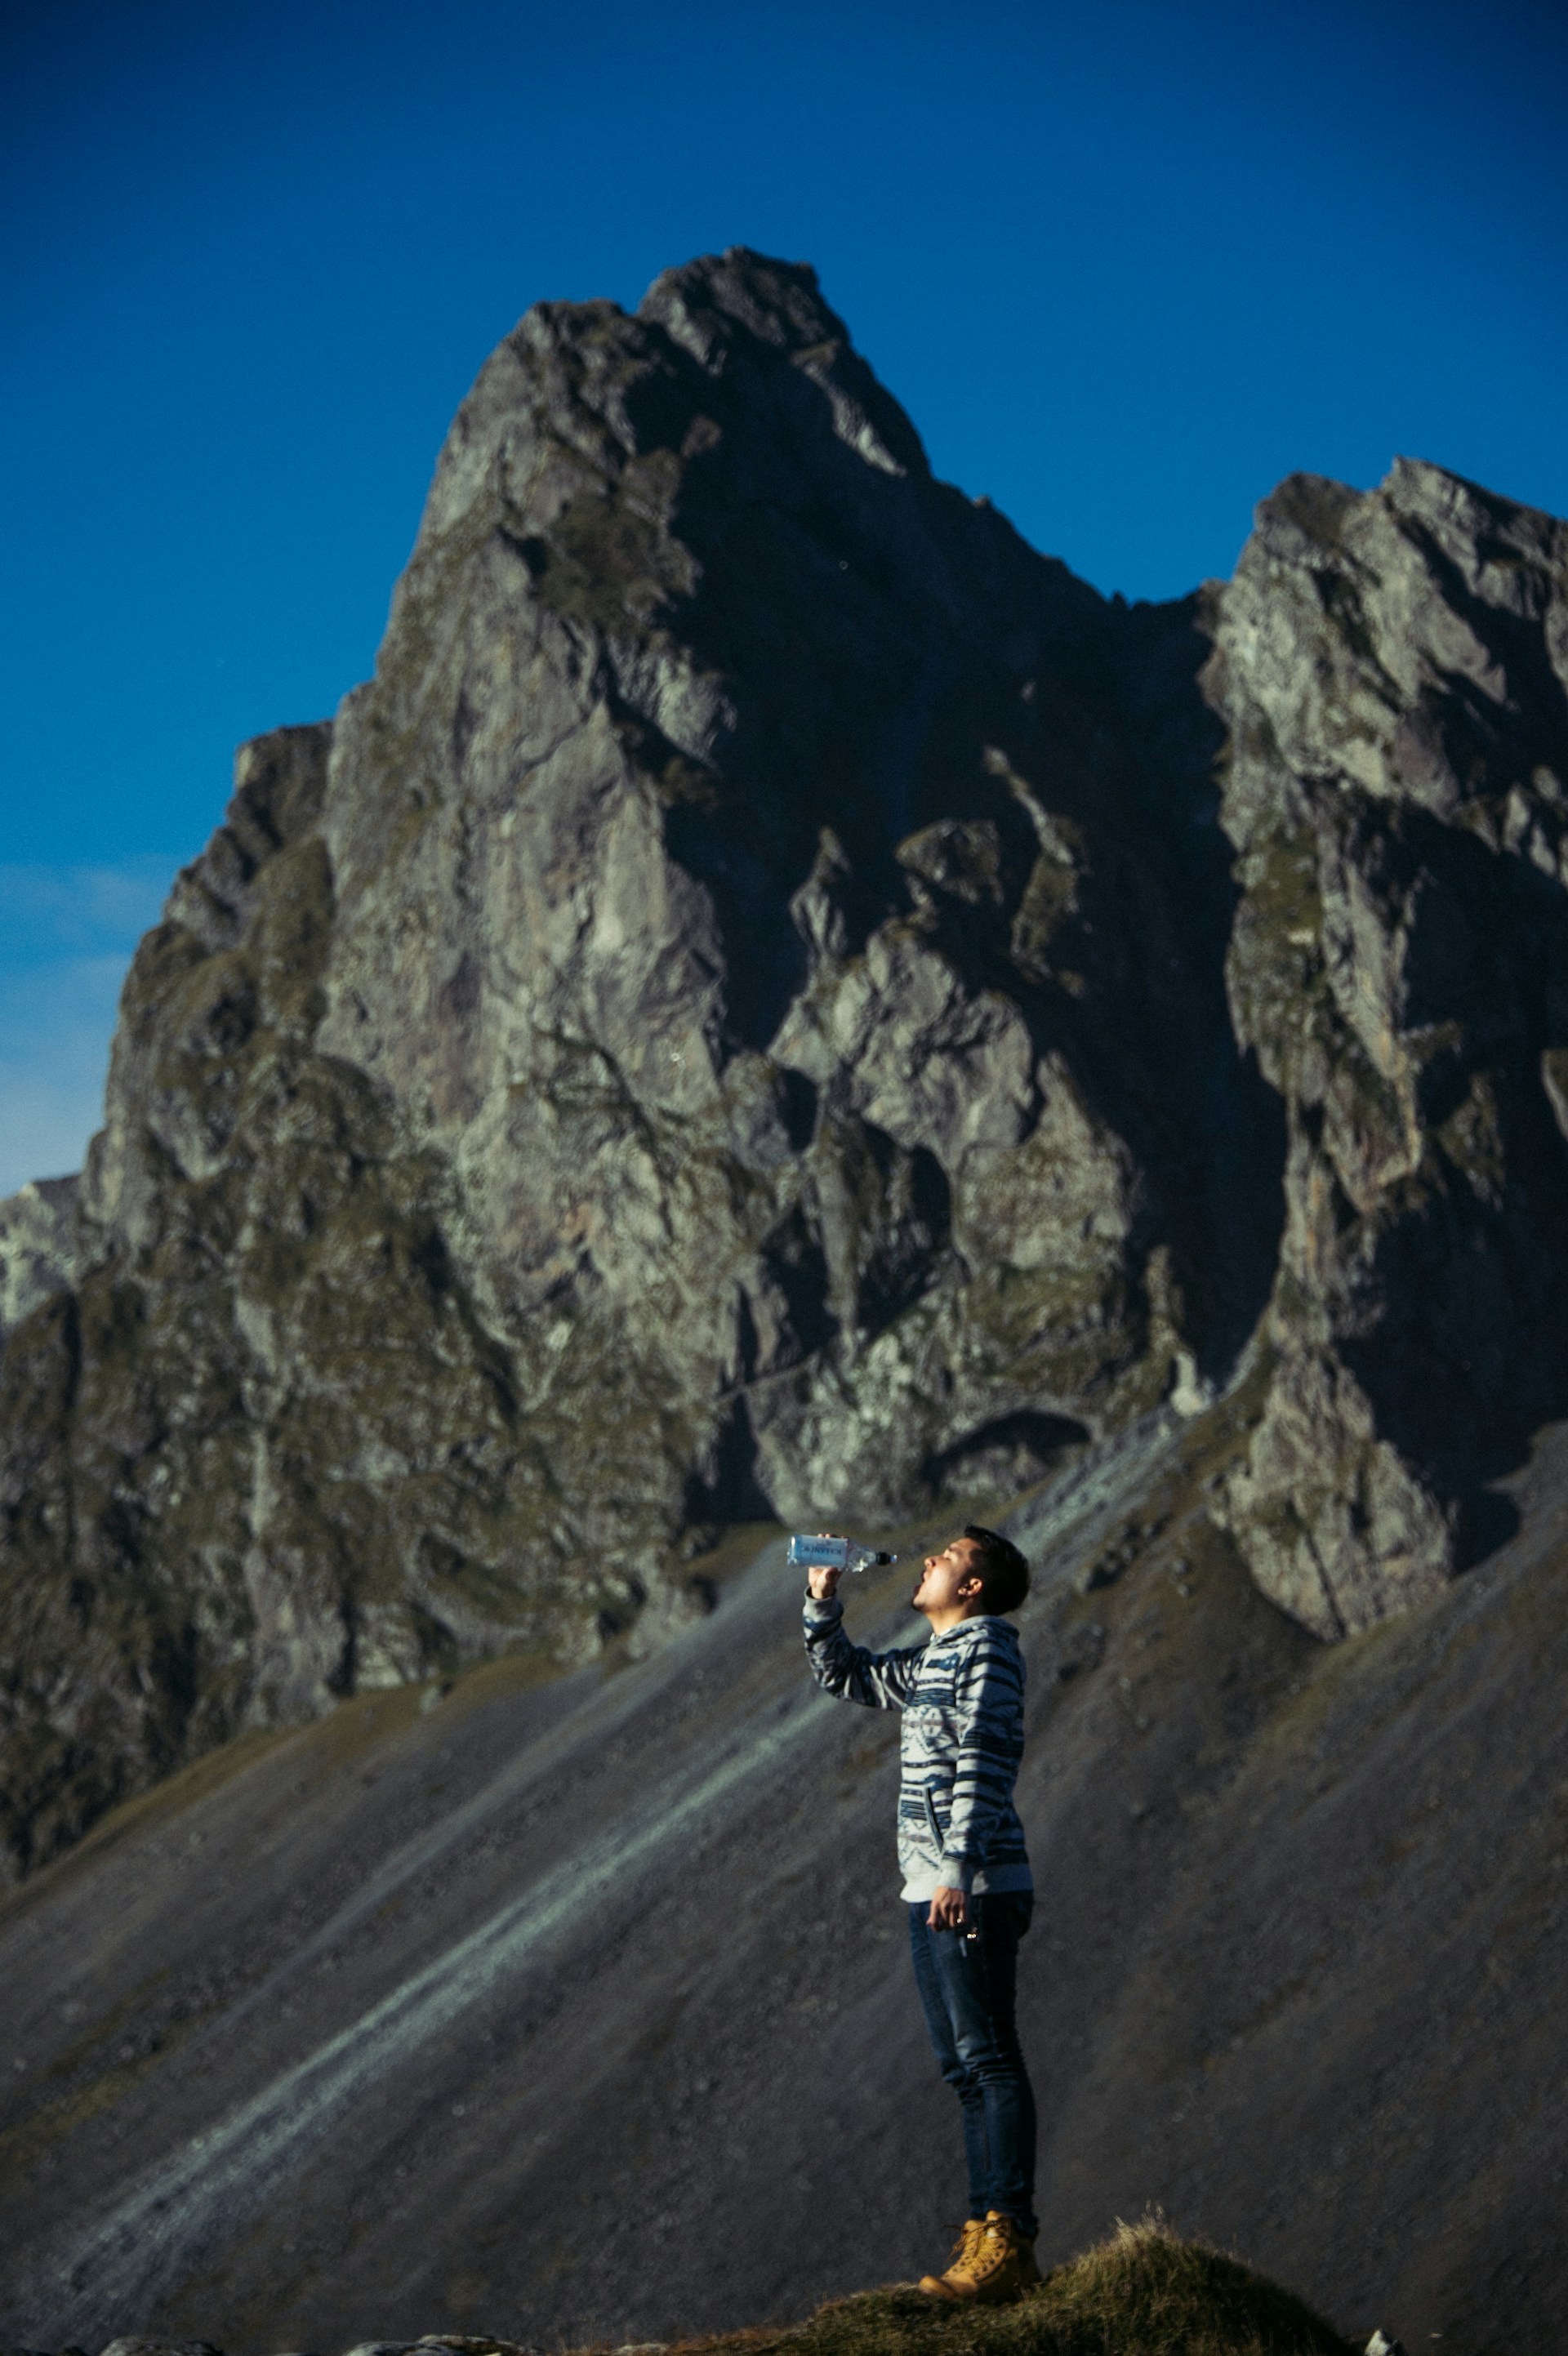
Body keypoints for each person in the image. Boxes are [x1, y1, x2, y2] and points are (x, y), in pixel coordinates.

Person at [802, 1525, 1040, 2303]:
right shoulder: (934, 1656)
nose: (931, 1559)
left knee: (991, 2056)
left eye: (949, 1555)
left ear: (973, 1587)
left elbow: (986, 1754)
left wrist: (960, 1868)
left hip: (971, 1884)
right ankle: (984, 2234)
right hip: (928, 1886)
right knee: (962, 2066)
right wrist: (822, 1599)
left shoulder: (988, 1649)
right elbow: (848, 1677)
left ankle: (1009, 2236)